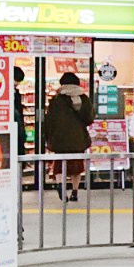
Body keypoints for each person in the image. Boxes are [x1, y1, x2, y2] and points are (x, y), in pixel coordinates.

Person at [42, 72, 94, 201]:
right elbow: (89, 118)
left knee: (60, 165)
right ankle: (75, 192)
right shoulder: (84, 99)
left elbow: (49, 120)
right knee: (76, 167)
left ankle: (61, 185)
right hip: (77, 138)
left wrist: (48, 136)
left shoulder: (56, 99)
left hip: (59, 138)